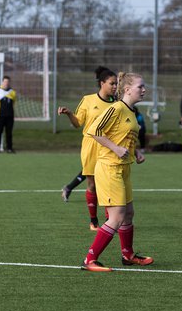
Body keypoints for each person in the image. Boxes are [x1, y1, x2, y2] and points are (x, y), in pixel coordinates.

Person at [81, 72, 154, 272]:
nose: (144, 90)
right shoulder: (116, 108)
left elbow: (122, 137)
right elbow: (94, 131)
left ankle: (128, 255)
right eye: (140, 86)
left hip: (124, 169)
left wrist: (136, 151)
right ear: (127, 89)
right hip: (109, 168)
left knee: (128, 213)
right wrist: (115, 148)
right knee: (117, 216)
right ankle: (90, 260)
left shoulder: (131, 111)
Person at [58, 66, 117, 231]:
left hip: (108, 146)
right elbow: (78, 123)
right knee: (92, 184)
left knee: (108, 183)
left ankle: (110, 220)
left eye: (116, 84)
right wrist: (69, 113)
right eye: (112, 83)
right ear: (102, 83)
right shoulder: (88, 100)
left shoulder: (118, 104)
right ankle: (93, 221)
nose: (114, 86)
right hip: (90, 145)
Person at [0, 76, 17, 153]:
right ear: (2, 82)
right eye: (5, 82)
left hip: (9, 116)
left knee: (9, 133)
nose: (6, 83)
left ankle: (9, 148)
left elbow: (13, 102)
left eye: (7, 82)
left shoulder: (12, 92)